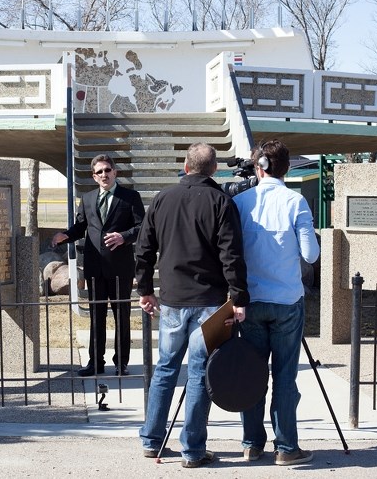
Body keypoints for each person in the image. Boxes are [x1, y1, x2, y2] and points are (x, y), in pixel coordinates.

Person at [136, 142, 249, 469]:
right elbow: (232, 255)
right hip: (210, 302)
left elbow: (143, 250)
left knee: (165, 369)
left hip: (172, 298)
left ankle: (151, 439)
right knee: (200, 373)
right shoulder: (221, 202)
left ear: (186, 167)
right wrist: (239, 297)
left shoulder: (162, 199)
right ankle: (192, 450)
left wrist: (145, 289)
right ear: (214, 169)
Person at [231, 139, 320, 466]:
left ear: (258, 167)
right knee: (285, 376)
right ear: (286, 167)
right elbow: (311, 253)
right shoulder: (296, 202)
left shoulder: (241, 202)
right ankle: (286, 446)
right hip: (286, 300)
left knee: (252, 373)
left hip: (250, 301)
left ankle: (252, 443)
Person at [51, 154, 145, 376]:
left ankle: (121, 362)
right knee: (96, 315)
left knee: (121, 315)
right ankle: (96, 362)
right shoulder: (88, 198)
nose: (104, 174)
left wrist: (124, 236)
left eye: (107, 170)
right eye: (100, 172)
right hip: (94, 268)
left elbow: (143, 228)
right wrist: (65, 235)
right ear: (94, 176)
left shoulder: (130, 197)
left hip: (120, 268)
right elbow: (80, 226)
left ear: (115, 172)